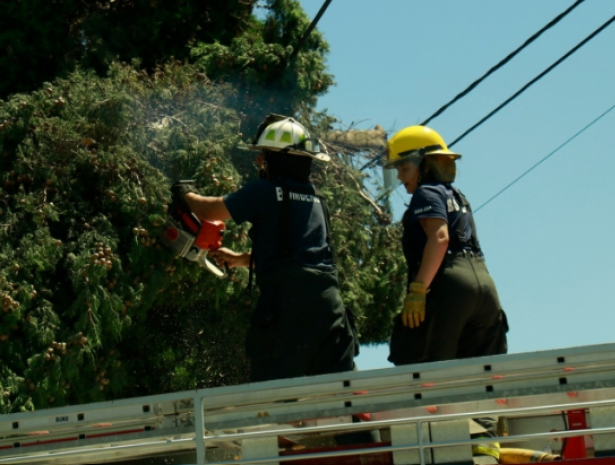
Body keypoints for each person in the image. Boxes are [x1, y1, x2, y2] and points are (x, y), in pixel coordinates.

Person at [175, 115, 358, 383]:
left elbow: (210, 209)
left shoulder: (265, 191)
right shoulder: (317, 199)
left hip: (287, 309)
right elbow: (297, 261)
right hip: (329, 308)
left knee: (273, 394)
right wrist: (239, 259)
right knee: (337, 396)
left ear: (277, 158)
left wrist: (184, 195)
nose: (258, 161)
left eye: (263, 155)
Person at [384, 125, 509, 463]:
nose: (400, 178)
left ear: (425, 166)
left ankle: (438, 448)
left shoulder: (427, 194)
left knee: (424, 364)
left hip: (449, 283)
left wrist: (418, 290)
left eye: (404, 168)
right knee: (479, 369)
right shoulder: (459, 196)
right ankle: (484, 450)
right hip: (484, 286)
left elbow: (439, 239)